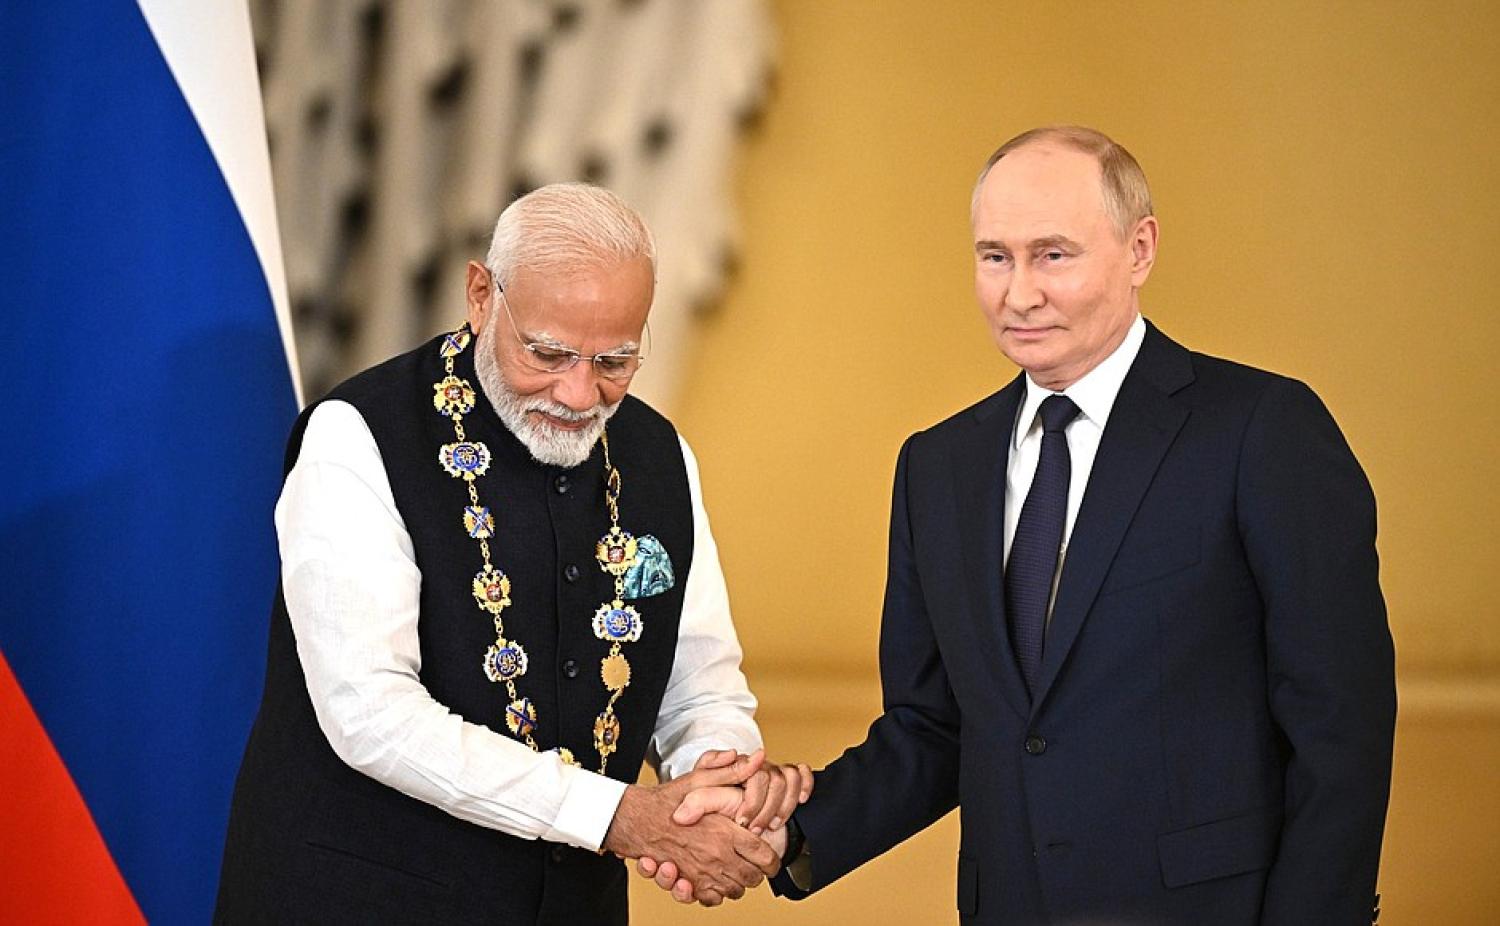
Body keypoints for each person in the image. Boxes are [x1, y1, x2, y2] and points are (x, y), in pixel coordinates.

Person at [643, 126, 1396, 922]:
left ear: (1139, 250)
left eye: (1053, 255)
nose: (1019, 293)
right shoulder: (938, 466)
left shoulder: (1261, 430)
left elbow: (1340, 723)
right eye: (995, 256)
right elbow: (936, 727)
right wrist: (787, 827)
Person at [215, 183, 809, 924]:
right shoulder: (357, 436)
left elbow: (699, 684)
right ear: (479, 295)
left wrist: (718, 788)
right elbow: (369, 711)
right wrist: (619, 815)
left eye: (617, 360)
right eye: (550, 352)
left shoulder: (660, 456)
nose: (580, 391)